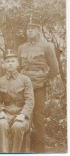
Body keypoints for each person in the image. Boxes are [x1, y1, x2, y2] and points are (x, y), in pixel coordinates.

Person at [18, 16, 59, 152]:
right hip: (23, 87)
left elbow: (54, 69)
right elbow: (19, 67)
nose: (29, 31)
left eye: (33, 28)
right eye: (28, 29)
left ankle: (40, 150)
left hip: (38, 86)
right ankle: (24, 148)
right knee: (23, 115)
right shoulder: (21, 47)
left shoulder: (46, 46)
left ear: (38, 30)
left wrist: (45, 80)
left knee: (38, 117)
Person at [0, 49, 34, 153]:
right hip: (7, 113)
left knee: (18, 126)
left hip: (22, 113)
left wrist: (23, 114)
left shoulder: (25, 79)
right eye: (7, 62)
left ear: (17, 64)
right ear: (4, 65)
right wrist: (2, 111)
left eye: (13, 61)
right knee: (2, 124)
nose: (10, 64)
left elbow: (30, 100)